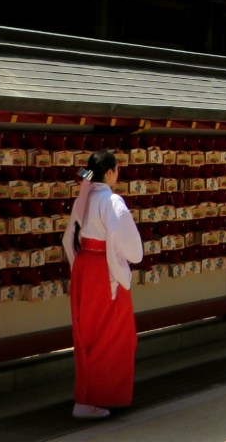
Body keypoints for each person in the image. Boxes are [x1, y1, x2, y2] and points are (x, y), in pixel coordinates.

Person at [62, 150, 143, 420]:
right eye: (116, 170)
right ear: (109, 172)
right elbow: (129, 245)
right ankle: (98, 396)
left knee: (88, 333)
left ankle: (88, 396)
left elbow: (68, 239)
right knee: (113, 335)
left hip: (85, 266)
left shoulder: (83, 198)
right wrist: (126, 260)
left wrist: (78, 263)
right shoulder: (111, 200)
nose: (117, 174)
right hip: (104, 271)